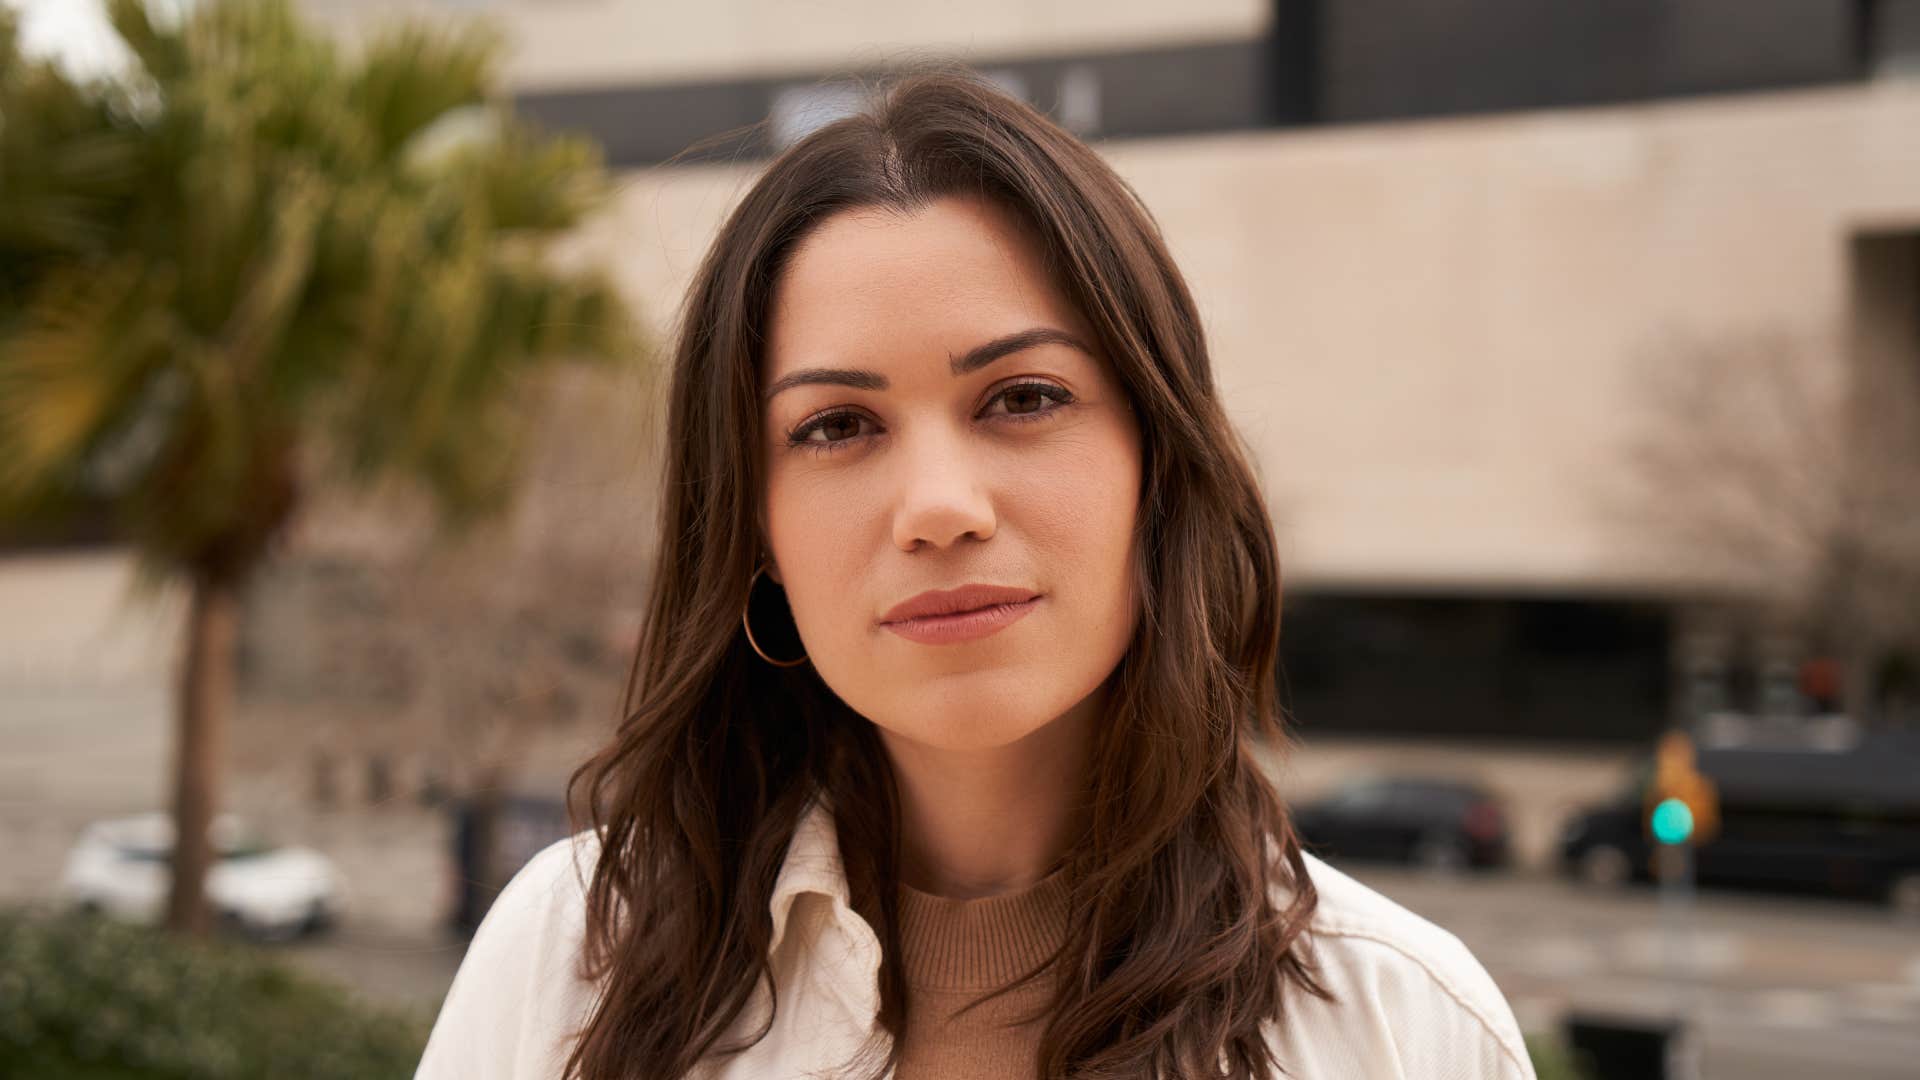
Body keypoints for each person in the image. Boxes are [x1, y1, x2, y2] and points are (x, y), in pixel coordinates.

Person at [415, 69, 1536, 1080]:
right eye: (839, 425)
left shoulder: (1405, 1029)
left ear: (1157, 462)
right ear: (754, 529)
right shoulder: (575, 966)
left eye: (1023, 399)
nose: (940, 507)